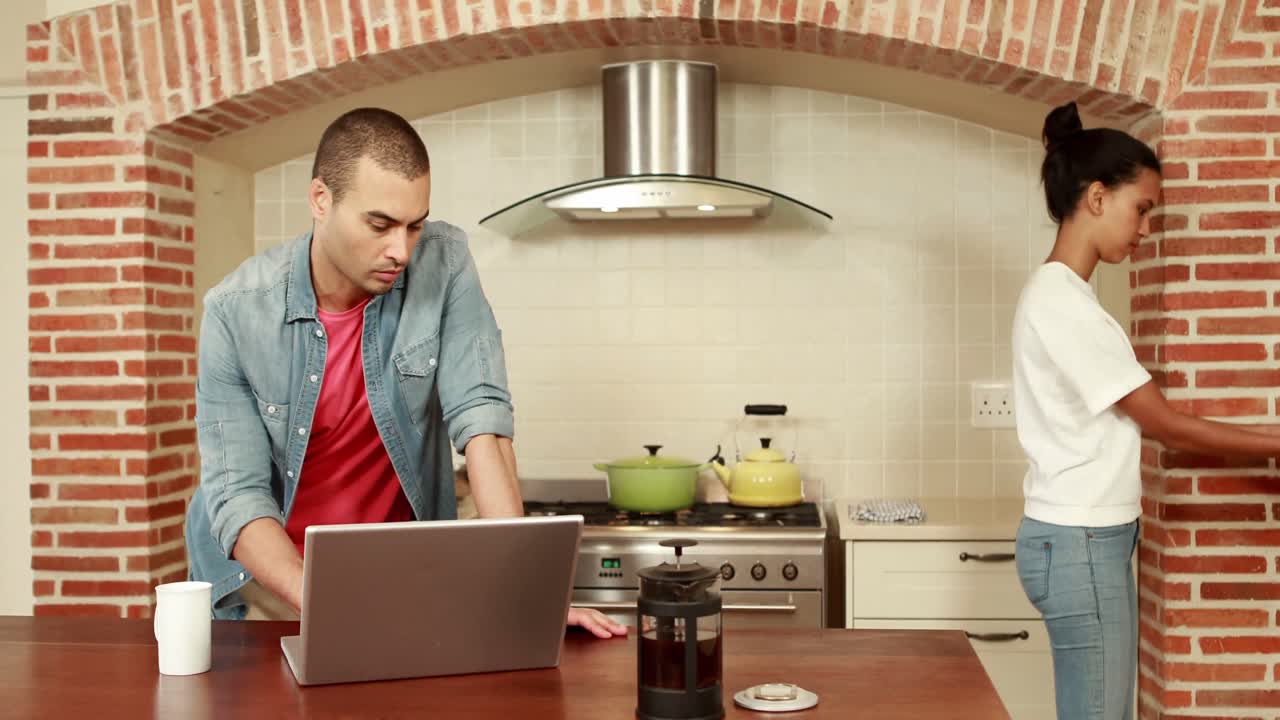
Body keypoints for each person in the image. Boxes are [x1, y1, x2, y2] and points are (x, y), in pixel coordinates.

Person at [184, 107, 626, 639]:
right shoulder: (235, 310)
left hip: (396, 572)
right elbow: (238, 498)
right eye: (380, 225)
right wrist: (327, 604)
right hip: (271, 583)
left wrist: (528, 591)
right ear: (320, 200)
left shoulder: (445, 262)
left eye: (414, 225)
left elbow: (482, 418)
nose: (400, 251)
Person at [1012, 100, 1280, 720]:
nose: (1146, 229)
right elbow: (1160, 422)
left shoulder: (1063, 296)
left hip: (1079, 541)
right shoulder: (1063, 302)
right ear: (1098, 198)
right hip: (1078, 543)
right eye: (1144, 209)